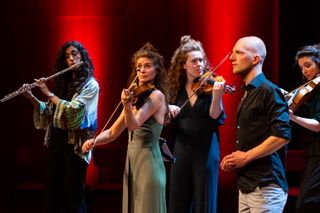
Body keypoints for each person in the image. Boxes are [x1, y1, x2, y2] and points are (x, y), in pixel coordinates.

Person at [82, 43, 169, 213]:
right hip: (133, 162)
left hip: (148, 163)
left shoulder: (157, 96)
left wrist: (127, 107)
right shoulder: (135, 98)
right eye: (138, 67)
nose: (141, 71)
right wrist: (94, 141)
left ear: (156, 71)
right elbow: (113, 132)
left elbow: (134, 124)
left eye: (147, 66)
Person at [22, 41, 99, 212]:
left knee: (74, 195)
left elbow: (73, 112)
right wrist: (32, 98)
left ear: (82, 56)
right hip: (56, 141)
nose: (71, 59)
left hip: (76, 145)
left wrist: (48, 93)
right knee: (52, 193)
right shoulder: (61, 84)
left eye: (74, 54)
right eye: (67, 56)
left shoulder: (91, 85)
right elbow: (49, 114)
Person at [220, 36, 291, 213]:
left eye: (238, 52)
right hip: (246, 186)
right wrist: (236, 159)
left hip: (265, 186)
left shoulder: (269, 90)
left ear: (256, 59)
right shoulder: (248, 92)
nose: (231, 58)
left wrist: (245, 157)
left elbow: (282, 136)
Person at [167, 35, 226, 213]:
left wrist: (217, 97)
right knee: (178, 199)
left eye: (201, 60)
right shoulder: (174, 89)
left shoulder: (211, 85)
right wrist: (167, 108)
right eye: (194, 61)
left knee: (204, 201)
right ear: (183, 64)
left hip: (206, 148)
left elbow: (216, 116)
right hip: (181, 148)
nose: (199, 64)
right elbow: (163, 118)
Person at [287, 44, 320, 212]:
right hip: (313, 149)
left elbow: (318, 125)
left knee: (306, 201)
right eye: (302, 67)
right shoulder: (312, 90)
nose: (304, 71)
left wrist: (293, 117)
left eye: (308, 65)